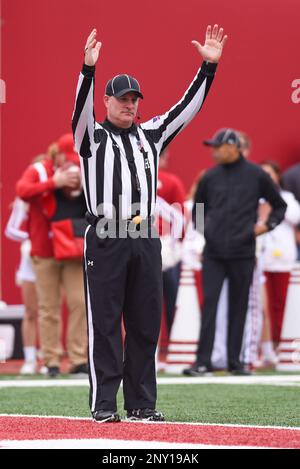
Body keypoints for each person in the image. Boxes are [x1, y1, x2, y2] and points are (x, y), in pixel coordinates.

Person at [72, 25, 228, 423]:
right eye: (122, 98)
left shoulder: (150, 134)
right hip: (106, 234)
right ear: (107, 101)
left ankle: (141, 404)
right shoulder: (90, 139)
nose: (128, 104)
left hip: (144, 234)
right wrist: (87, 71)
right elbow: (80, 112)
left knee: (144, 322)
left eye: (133, 99)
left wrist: (207, 67)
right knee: (105, 324)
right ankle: (104, 405)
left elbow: (184, 109)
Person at [184, 128, 287, 376]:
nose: (214, 152)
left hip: (243, 252)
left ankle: (235, 362)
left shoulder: (256, 175)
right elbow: (198, 208)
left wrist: (264, 228)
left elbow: (279, 206)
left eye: (217, 147)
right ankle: (202, 362)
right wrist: (205, 231)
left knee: (239, 306)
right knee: (209, 305)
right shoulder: (210, 176)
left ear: (233, 146)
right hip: (214, 253)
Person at [16, 136, 88, 377]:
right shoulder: (40, 170)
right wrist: (54, 182)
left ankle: (78, 358)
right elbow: (22, 191)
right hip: (44, 249)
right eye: (68, 159)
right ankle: (52, 360)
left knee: (79, 302)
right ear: (56, 155)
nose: (71, 165)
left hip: (72, 248)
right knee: (48, 307)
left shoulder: (86, 170)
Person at [260, 161, 300, 356]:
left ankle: (284, 344)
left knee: (283, 302)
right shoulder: (254, 197)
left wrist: (275, 206)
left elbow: (294, 216)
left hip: (283, 257)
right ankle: (267, 347)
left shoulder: (287, 197)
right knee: (263, 306)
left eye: (270, 173)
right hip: (262, 258)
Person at [5, 196, 39, 375]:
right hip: (31, 258)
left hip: (58, 254)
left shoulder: (62, 192)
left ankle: (53, 359)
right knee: (31, 310)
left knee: (54, 311)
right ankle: (30, 359)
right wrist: (33, 237)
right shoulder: (24, 199)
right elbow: (10, 230)